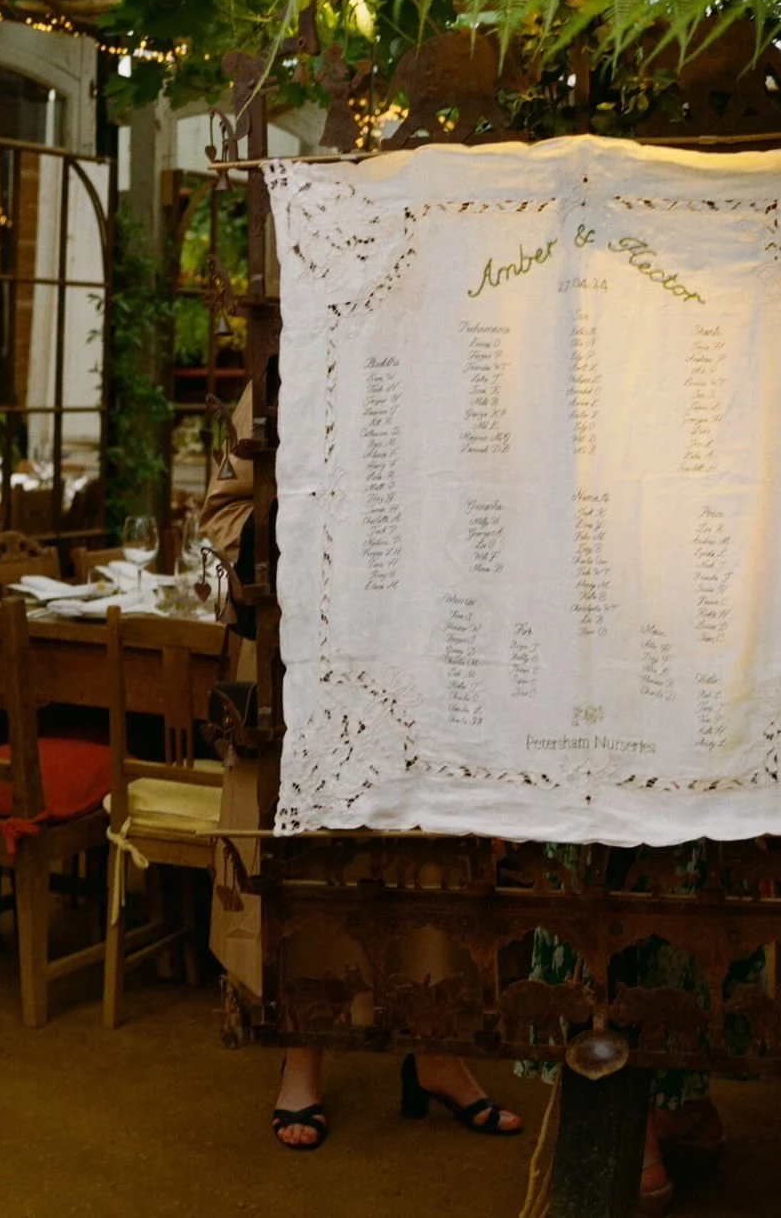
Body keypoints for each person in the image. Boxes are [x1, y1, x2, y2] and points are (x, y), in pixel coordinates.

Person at [200, 386, 523, 1150]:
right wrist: (315, 528)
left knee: (433, 847)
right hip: (303, 655)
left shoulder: (451, 350)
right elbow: (224, 512)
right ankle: (303, 1055)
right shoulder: (286, 362)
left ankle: (438, 1052)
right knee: (308, 850)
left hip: (423, 646)